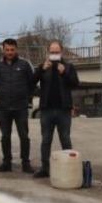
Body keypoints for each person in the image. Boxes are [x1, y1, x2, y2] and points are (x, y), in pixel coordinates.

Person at [32, 40, 79, 179]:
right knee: (46, 140)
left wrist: (64, 73)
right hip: (46, 109)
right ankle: (45, 168)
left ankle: (69, 167)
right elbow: (31, 82)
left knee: (65, 139)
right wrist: (41, 70)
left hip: (63, 109)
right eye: (52, 52)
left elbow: (75, 84)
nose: (54, 54)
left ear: (61, 52)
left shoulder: (68, 66)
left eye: (56, 52)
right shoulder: (42, 67)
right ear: (48, 52)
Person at [0, 38, 36, 173]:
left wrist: (26, 98)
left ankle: (26, 163)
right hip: (4, 108)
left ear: (16, 50)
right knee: (5, 136)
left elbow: (32, 83)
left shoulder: (25, 65)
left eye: (12, 50)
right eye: (7, 50)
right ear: (3, 50)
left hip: (20, 108)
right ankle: (6, 163)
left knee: (24, 136)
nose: (9, 52)